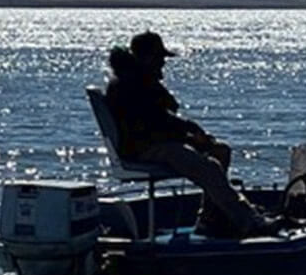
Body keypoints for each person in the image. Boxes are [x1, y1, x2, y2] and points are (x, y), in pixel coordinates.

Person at [105, 31, 282, 237]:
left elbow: (164, 114)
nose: (163, 63)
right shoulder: (129, 84)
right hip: (142, 148)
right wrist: (191, 133)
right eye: (159, 58)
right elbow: (156, 121)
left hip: (157, 141)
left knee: (220, 151)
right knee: (210, 168)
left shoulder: (142, 80)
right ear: (146, 57)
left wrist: (194, 136)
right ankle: (251, 222)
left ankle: (209, 219)